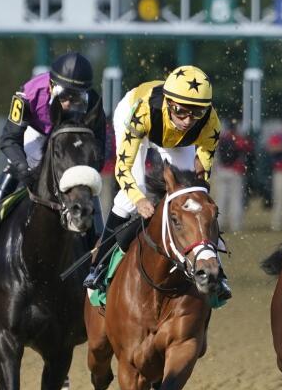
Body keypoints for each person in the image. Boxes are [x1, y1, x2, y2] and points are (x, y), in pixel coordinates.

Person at [83, 65, 230, 299]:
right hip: (136, 115)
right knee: (134, 192)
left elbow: (201, 177)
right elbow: (123, 169)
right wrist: (139, 200)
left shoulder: (210, 123)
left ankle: (216, 272)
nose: (187, 120)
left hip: (172, 138)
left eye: (196, 113)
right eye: (181, 111)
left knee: (190, 199)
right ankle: (98, 267)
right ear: (170, 104)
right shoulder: (142, 113)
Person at [0, 52, 106, 242]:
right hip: (37, 133)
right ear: (51, 86)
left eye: (76, 98)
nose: (68, 104)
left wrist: (88, 170)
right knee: (17, 162)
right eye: (64, 95)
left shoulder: (93, 101)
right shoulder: (28, 94)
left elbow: (100, 145)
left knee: (84, 177)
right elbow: (9, 139)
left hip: (69, 139)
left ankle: (98, 233)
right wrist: (22, 167)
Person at [212, 119, 252, 233]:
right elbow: (248, 149)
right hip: (235, 171)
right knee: (236, 200)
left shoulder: (221, 138)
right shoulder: (239, 139)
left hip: (222, 171)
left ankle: (219, 224)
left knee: (221, 199)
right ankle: (235, 225)